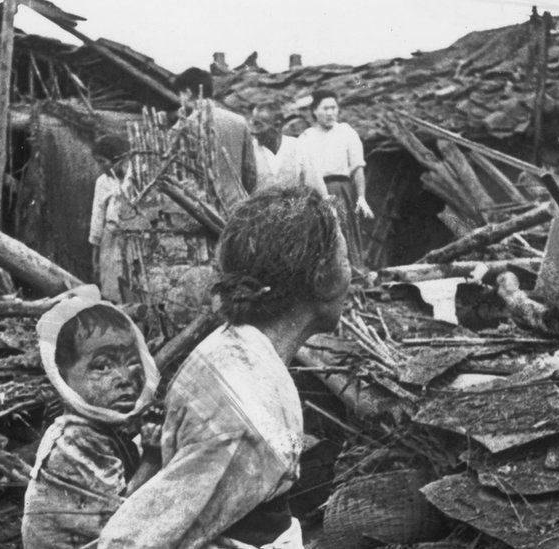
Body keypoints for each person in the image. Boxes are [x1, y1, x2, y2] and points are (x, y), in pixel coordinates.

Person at [98, 186, 352, 548]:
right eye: (344, 258)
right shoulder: (247, 409)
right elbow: (132, 541)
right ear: (321, 278)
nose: (352, 271)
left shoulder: (232, 346)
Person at [22, 287, 160, 549]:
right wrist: (152, 458)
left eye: (132, 362)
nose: (124, 378)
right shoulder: (74, 441)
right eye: (103, 366)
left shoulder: (99, 429)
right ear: (63, 376)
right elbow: (127, 522)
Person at [298, 90, 373, 268]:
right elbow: (303, 173)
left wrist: (361, 197)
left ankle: (355, 276)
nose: (330, 113)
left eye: (334, 108)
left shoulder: (347, 132)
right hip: (316, 192)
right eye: (325, 108)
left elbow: (357, 167)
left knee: (346, 233)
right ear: (315, 111)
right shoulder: (306, 137)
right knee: (322, 236)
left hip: (342, 190)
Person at [173, 67, 257, 215]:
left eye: (180, 94)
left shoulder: (181, 129)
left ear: (187, 93)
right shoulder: (239, 122)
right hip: (237, 208)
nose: (180, 99)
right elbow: (250, 173)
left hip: (201, 211)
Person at [249, 102, 326, 197]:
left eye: (259, 125)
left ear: (277, 125)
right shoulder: (250, 151)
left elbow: (316, 188)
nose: (253, 131)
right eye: (253, 124)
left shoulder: (299, 147)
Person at [89, 135, 131, 302]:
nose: (100, 167)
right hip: (110, 241)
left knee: (131, 283)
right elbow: (97, 218)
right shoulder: (102, 182)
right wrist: (95, 255)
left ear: (117, 160)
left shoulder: (134, 177)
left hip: (132, 239)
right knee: (111, 286)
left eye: (102, 162)